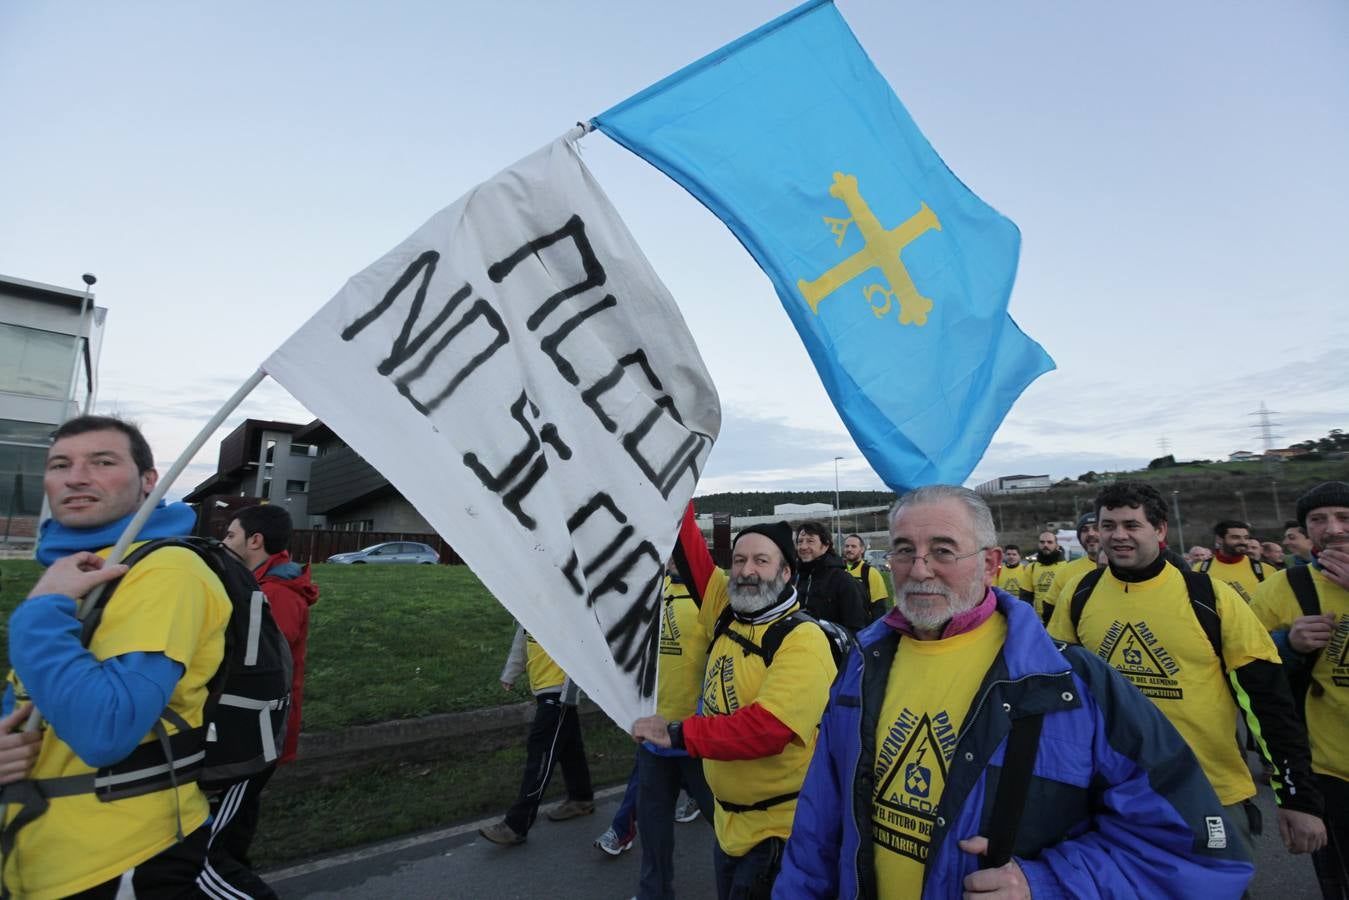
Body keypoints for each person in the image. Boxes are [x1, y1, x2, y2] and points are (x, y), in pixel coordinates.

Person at [775, 485, 1255, 898]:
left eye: (943, 550)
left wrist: (1045, 883)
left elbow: (1198, 852)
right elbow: (819, 825)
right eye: (904, 550)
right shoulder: (862, 665)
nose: (919, 570)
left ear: (989, 564)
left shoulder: (1069, 686)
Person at [0, 415, 244, 898]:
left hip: (121, 860)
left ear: (149, 481)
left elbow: (105, 729)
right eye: (60, 464)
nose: (75, 477)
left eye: (103, 461)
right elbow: (34, 692)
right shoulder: (77, 569)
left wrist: (37, 613)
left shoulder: (168, 570)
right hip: (36, 856)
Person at [1048, 481, 1324, 859]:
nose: (1118, 536)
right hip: (1111, 789)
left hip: (1208, 790)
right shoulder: (1079, 593)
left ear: (1160, 530)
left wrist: (1297, 796)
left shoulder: (1210, 597)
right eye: (1108, 525)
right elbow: (1061, 690)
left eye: (1132, 525)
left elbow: (1267, 701)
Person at [634, 520, 836, 899]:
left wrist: (678, 733)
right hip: (730, 828)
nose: (746, 570)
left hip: (778, 835)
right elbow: (685, 537)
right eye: (739, 559)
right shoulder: (727, 611)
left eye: (761, 560)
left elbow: (768, 729)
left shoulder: (802, 640)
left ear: (787, 571)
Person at [1252, 482, 1349, 897]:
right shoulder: (1281, 587)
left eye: (1344, 517)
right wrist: (1286, 647)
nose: (1333, 528)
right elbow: (1249, 669)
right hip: (1328, 767)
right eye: (1319, 519)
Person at [218, 503, 319, 869]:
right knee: (234, 820)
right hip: (248, 727)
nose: (223, 542)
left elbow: (256, 663)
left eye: (230, 535)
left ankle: (230, 883)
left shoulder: (277, 595)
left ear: (255, 541)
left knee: (223, 835)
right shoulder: (258, 586)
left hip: (257, 729)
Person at [611, 555, 715, 898]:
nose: (669, 558)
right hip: (655, 741)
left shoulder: (711, 602)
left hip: (696, 741)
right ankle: (653, 892)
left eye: (676, 551)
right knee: (654, 830)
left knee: (729, 829)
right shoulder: (655, 594)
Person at [480, 625, 594, 845]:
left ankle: (516, 825)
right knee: (569, 748)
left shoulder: (567, 601)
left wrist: (571, 690)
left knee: (540, 751)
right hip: (543, 686)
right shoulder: (531, 598)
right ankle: (581, 798)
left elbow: (584, 641)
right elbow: (521, 640)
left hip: (559, 691)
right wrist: (511, 672)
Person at [792, 521, 868, 631]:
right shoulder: (794, 578)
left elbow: (855, 627)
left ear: (825, 545)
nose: (803, 546)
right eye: (800, 541)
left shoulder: (843, 580)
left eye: (810, 541)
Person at [1039, 512, 1102, 625]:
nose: (1091, 533)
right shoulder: (1066, 571)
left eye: (1096, 528)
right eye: (1084, 530)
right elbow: (1050, 608)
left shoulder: (1126, 568)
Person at [1199, 520, 1267, 602]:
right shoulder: (1201, 569)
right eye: (1235, 537)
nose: (1243, 542)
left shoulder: (1264, 569)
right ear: (1219, 539)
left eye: (1246, 537)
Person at [1019, 529, 1067, 621]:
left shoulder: (1067, 567)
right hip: (1038, 622)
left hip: (1060, 623)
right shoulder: (1031, 568)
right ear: (1038, 544)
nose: (1045, 545)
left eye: (1050, 542)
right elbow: (1025, 598)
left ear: (1057, 546)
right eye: (1042, 542)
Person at [841, 533, 889, 621]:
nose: (849, 549)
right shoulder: (839, 571)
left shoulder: (871, 573)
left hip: (863, 626)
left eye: (853, 546)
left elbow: (879, 608)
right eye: (847, 546)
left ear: (862, 549)